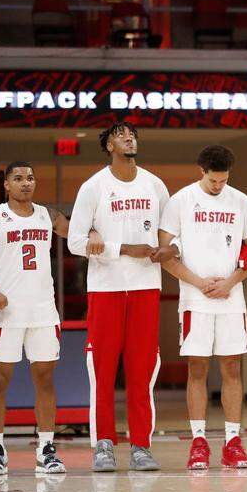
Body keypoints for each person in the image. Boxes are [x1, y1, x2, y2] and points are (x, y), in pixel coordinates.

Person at [67, 121, 172, 472]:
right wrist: (125, 248)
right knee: (103, 370)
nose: (129, 138)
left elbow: (172, 234)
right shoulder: (94, 186)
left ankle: (141, 445)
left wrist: (168, 250)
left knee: (142, 370)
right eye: (121, 134)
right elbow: (76, 241)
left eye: (133, 134)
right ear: (109, 145)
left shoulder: (154, 184)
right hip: (106, 289)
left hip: (145, 287)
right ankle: (104, 444)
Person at [158, 145, 247, 470]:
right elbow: (165, 254)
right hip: (195, 299)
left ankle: (233, 442)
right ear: (201, 171)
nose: (218, 186)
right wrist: (199, 281)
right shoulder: (180, 201)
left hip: (232, 298)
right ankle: (199, 442)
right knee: (198, 369)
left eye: (223, 181)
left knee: (232, 369)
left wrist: (231, 281)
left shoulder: (242, 201)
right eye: (213, 181)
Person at [0, 161, 71, 475]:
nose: (26, 183)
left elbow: (77, 236)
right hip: (7, 314)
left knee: (45, 380)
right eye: (18, 178)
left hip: (43, 312)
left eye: (30, 178)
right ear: (6, 184)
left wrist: (96, 233)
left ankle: (46, 448)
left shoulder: (48, 215)